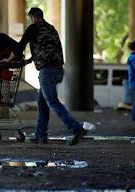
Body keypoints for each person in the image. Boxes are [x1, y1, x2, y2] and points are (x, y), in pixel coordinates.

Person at [7, 7, 86, 145]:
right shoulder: (51, 28)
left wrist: (8, 60)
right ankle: (40, 135)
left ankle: (76, 129)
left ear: (32, 18)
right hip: (57, 69)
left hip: (47, 71)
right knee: (42, 103)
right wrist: (29, 61)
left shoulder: (33, 28)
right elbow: (47, 49)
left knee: (52, 102)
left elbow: (20, 47)